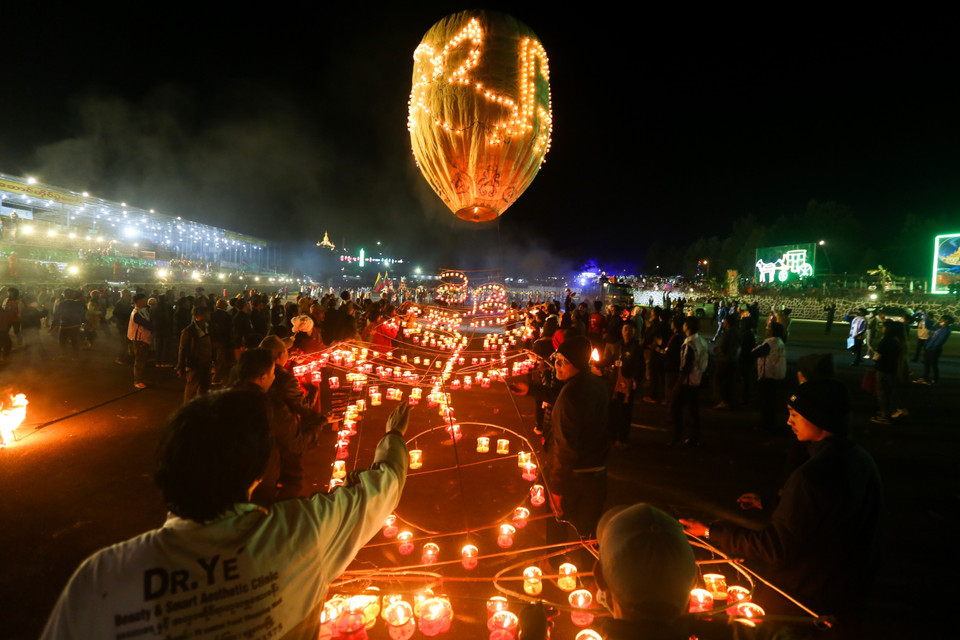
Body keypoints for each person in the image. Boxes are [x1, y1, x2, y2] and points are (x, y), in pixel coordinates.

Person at [41, 389, 409, 640]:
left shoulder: (100, 578)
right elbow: (383, 486)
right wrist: (392, 435)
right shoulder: (301, 533)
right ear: (258, 473)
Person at [680, 379, 883, 634]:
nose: (789, 422)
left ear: (819, 417)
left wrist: (712, 532)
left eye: (795, 415)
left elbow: (775, 547)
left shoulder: (810, 476)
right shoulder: (861, 461)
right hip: (848, 595)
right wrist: (773, 503)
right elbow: (826, 515)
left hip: (803, 598)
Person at [510, 336, 610, 560]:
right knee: (588, 533)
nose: (557, 365)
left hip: (573, 477)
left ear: (578, 363)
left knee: (557, 520)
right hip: (597, 472)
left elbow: (565, 450)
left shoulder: (570, 397)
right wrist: (532, 390)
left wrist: (556, 491)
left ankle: (554, 566)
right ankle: (590, 576)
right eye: (557, 359)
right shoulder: (595, 384)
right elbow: (563, 395)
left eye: (564, 361)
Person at [670, 316, 708, 446]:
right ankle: (695, 437)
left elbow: (686, 366)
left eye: (685, 323)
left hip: (688, 382)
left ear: (688, 327)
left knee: (675, 408)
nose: (683, 325)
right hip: (697, 380)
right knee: (694, 411)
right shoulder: (701, 341)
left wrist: (677, 384)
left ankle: (677, 437)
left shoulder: (689, 344)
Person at [871, 319, 908, 424]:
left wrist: (875, 357)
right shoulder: (900, 340)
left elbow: (879, 355)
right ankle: (894, 410)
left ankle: (885, 415)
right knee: (891, 391)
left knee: (882, 392)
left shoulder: (887, 340)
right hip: (894, 369)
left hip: (884, 369)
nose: (883, 328)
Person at [753, 322, 786, 432]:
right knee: (771, 402)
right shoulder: (780, 342)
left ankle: (765, 425)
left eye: (768, 328)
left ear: (772, 331)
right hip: (777, 375)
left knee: (766, 402)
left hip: (768, 375)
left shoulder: (770, 343)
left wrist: (756, 347)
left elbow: (755, 353)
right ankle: (769, 423)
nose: (766, 329)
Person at [177, 306, 214, 403]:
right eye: (207, 313)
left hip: (206, 363)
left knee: (204, 386)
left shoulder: (207, 327)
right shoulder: (188, 331)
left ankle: (200, 407)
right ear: (200, 316)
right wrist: (180, 366)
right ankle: (187, 409)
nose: (209, 315)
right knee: (191, 388)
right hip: (195, 364)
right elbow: (182, 349)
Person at [915, 314, 953, 385]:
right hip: (929, 348)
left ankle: (935, 379)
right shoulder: (939, 327)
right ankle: (925, 378)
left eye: (941, 319)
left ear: (946, 321)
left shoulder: (945, 330)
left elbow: (939, 341)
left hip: (934, 350)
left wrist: (931, 347)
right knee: (927, 364)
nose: (940, 320)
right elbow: (929, 327)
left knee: (933, 364)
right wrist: (927, 320)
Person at [128, 293, 153, 389]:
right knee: (139, 361)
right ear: (138, 301)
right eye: (144, 300)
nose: (145, 301)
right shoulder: (136, 313)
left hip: (144, 339)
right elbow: (147, 324)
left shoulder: (143, 311)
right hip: (139, 340)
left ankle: (141, 379)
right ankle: (137, 381)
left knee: (142, 360)